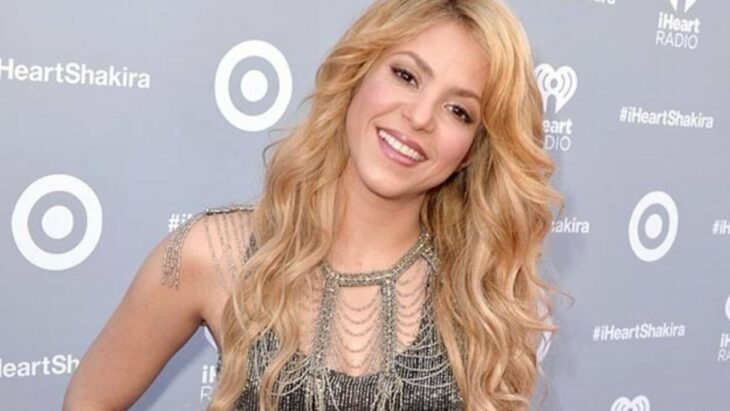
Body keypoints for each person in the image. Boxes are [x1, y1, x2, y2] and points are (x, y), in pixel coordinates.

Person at [63, 0, 563, 410]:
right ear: (357, 72)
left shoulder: (489, 300)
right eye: (406, 76)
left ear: (474, 149)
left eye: (459, 110)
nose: (419, 116)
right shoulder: (214, 255)